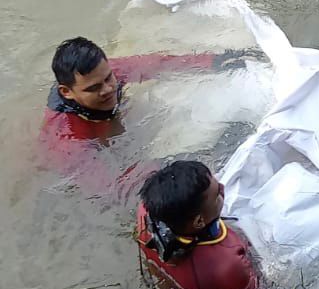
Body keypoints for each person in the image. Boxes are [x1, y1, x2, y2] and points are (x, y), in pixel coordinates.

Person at [40, 37, 249, 189]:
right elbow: (113, 187)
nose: (108, 89)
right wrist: (186, 165)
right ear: (66, 92)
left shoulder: (100, 73)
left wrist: (215, 61)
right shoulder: (67, 138)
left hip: (105, 121)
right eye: (93, 88)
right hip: (89, 152)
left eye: (109, 78)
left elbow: (156, 65)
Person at [136, 159, 258, 289]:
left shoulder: (145, 212)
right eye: (217, 193)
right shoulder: (227, 266)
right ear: (199, 222)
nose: (223, 188)